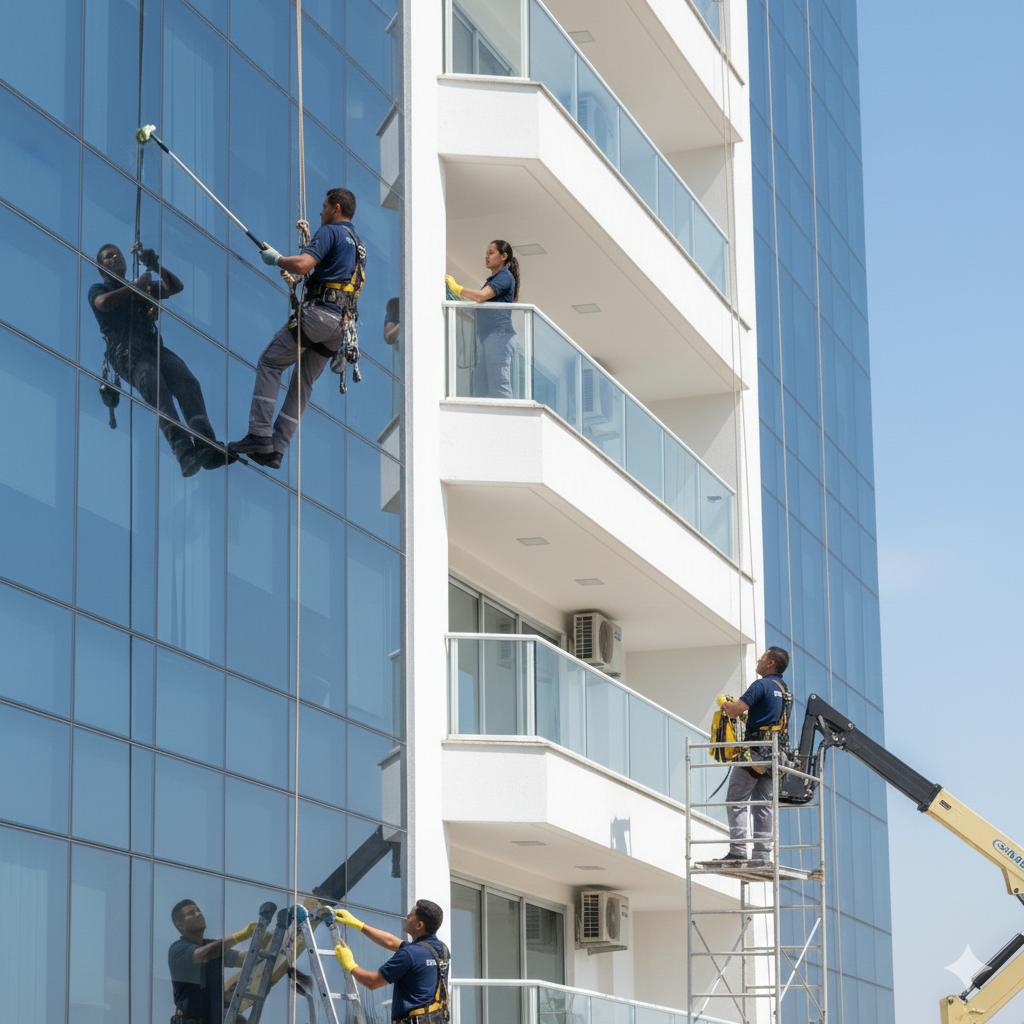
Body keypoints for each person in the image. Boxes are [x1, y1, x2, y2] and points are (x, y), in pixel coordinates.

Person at [229, 188, 362, 470]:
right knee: (303, 383)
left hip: (319, 317)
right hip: (339, 328)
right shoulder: (357, 244)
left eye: (324, 206)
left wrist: (277, 259)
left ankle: (259, 435)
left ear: (336, 208)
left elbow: (303, 265)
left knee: (270, 362)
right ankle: (277, 448)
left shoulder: (331, 232)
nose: (321, 212)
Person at [88, 244, 230, 477]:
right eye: (109, 257)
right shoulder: (100, 289)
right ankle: (184, 451)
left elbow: (175, 287)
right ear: (101, 268)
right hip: (127, 354)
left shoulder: (140, 286)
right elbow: (103, 304)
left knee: (188, 383)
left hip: (152, 347)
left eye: (118, 254)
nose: (116, 258)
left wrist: (156, 266)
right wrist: (135, 286)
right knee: (157, 388)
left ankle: (205, 441)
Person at [715, 646, 790, 864]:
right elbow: (770, 719)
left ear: (771, 663)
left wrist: (726, 704)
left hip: (756, 754)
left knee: (736, 800)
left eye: (762, 658)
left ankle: (738, 851)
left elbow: (735, 710)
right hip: (775, 755)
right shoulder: (784, 690)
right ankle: (762, 854)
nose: (759, 660)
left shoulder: (761, 685)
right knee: (763, 805)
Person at [332, 900, 450, 1024]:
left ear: (419, 925)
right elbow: (391, 941)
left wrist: (350, 964)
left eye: (410, 915)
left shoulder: (410, 954)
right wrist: (359, 925)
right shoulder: (441, 949)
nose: (407, 916)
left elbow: (371, 982)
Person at [444, 240, 521, 399]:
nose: (486, 256)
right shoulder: (494, 280)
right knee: (480, 386)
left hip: (500, 337)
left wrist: (457, 288)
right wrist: (454, 302)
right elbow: (476, 316)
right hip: (490, 339)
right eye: (486, 252)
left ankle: (506, 415)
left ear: (503, 256)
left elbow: (480, 296)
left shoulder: (504, 276)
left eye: (491, 253)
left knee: (499, 386)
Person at [168, 899, 255, 1024]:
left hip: (211, 1018)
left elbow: (242, 958)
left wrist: (261, 948)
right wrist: (241, 935)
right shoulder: (178, 949)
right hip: (192, 1020)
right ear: (180, 925)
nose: (198, 914)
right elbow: (204, 954)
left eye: (198, 910)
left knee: (239, 1021)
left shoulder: (213, 947)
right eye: (191, 913)